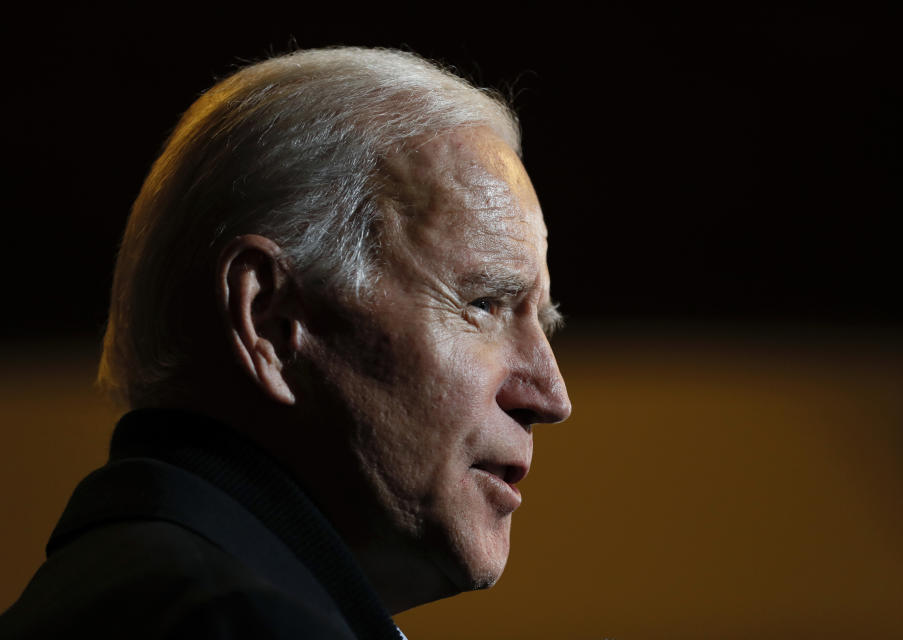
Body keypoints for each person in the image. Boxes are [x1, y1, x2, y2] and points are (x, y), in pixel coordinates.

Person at [0, 47, 571, 639]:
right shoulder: (232, 624)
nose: (551, 397)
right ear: (269, 319)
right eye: (484, 304)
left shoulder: (117, 592)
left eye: (543, 323)